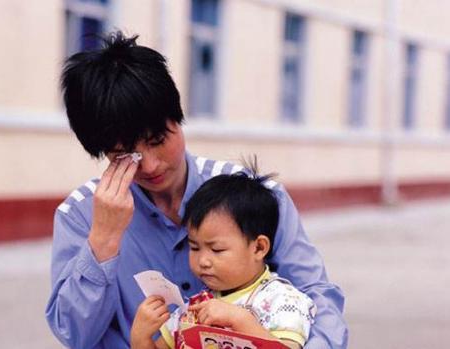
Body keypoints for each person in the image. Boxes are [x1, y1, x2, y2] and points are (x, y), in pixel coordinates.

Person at [45, 30, 348, 349]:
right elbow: (75, 336)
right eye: (124, 155)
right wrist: (104, 240)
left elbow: (317, 296)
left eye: (157, 141)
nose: (149, 166)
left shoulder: (253, 193)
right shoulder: (80, 215)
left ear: (178, 118)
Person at [130, 169, 317, 349]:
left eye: (216, 249)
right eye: (194, 247)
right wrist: (140, 337)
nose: (203, 260)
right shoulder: (193, 308)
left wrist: (241, 321)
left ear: (259, 247)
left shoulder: (283, 301)